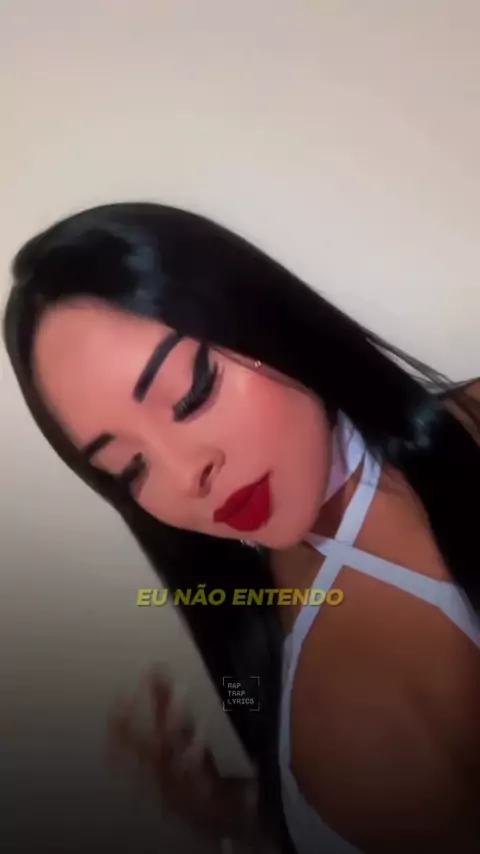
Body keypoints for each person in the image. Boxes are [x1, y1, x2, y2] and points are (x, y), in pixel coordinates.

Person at [3, 201, 480, 854]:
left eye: (194, 391)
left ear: (262, 318)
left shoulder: (369, 733)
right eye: (131, 467)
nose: (186, 476)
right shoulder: (243, 596)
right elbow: (258, 703)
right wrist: (232, 805)